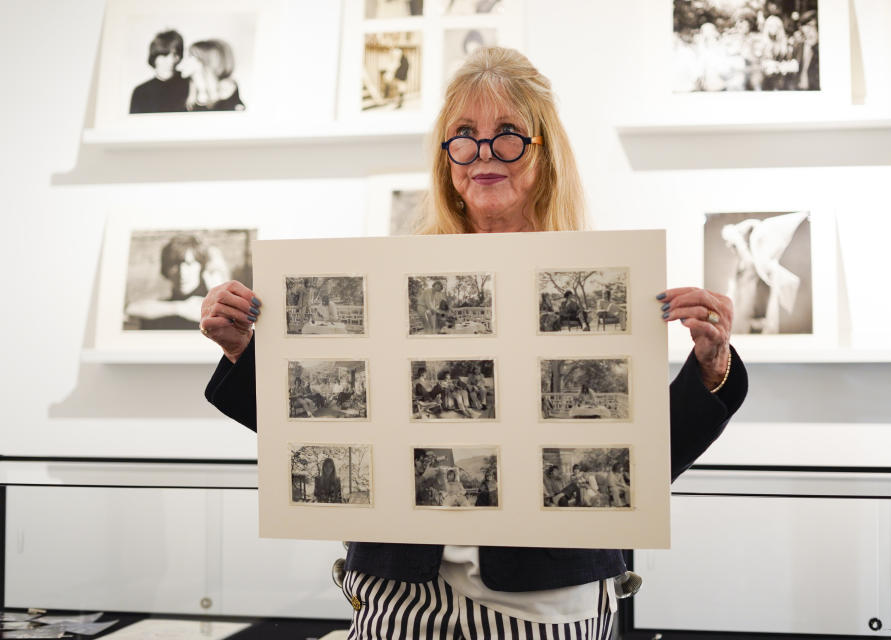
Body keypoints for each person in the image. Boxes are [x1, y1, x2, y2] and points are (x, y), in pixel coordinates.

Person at [201, 46, 747, 639]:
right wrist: (240, 350)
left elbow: (635, 458)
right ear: (447, 159)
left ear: (544, 153)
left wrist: (710, 367)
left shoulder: (596, 282)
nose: (484, 153)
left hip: (547, 599)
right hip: (397, 594)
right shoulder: (392, 280)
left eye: (508, 133)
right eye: (464, 135)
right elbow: (328, 424)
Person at [125, 234, 231, 330]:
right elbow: (129, 309)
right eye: (175, 264)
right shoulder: (156, 311)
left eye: (189, 264)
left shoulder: (214, 307)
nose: (182, 272)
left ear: (201, 268)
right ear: (166, 269)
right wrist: (180, 308)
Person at [129, 30, 190, 113]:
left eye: (175, 55)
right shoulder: (141, 92)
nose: (171, 61)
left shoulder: (190, 85)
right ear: (154, 58)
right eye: (164, 55)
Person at [178, 39, 245, 111]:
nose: (180, 60)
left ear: (203, 62)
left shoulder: (228, 92)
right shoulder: (184, 88)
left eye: (189, 56)